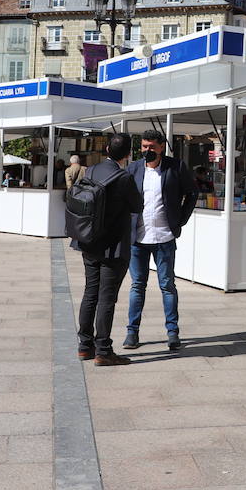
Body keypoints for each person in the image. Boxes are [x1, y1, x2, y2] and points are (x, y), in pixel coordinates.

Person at [70, 134, 144, 366]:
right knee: (106, 298)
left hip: (89, 241)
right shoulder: (123, 177)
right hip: (113, 246)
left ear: (107, 150)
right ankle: (103, 350)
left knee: (90, 293)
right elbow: (137, 205)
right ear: (128, 154)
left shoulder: (91, 170)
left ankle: (85, 346)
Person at [123, 130, 197, 352]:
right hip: (138, 238)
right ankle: (132, 332)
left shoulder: (176, 167)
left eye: (151, 147)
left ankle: (172, 333)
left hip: (165, 237)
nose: (147, 150)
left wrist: (180, 220)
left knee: (167, 285)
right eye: (144, 146)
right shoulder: (133, 168)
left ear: (161, 147)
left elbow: (192, 193)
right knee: (137, 285)